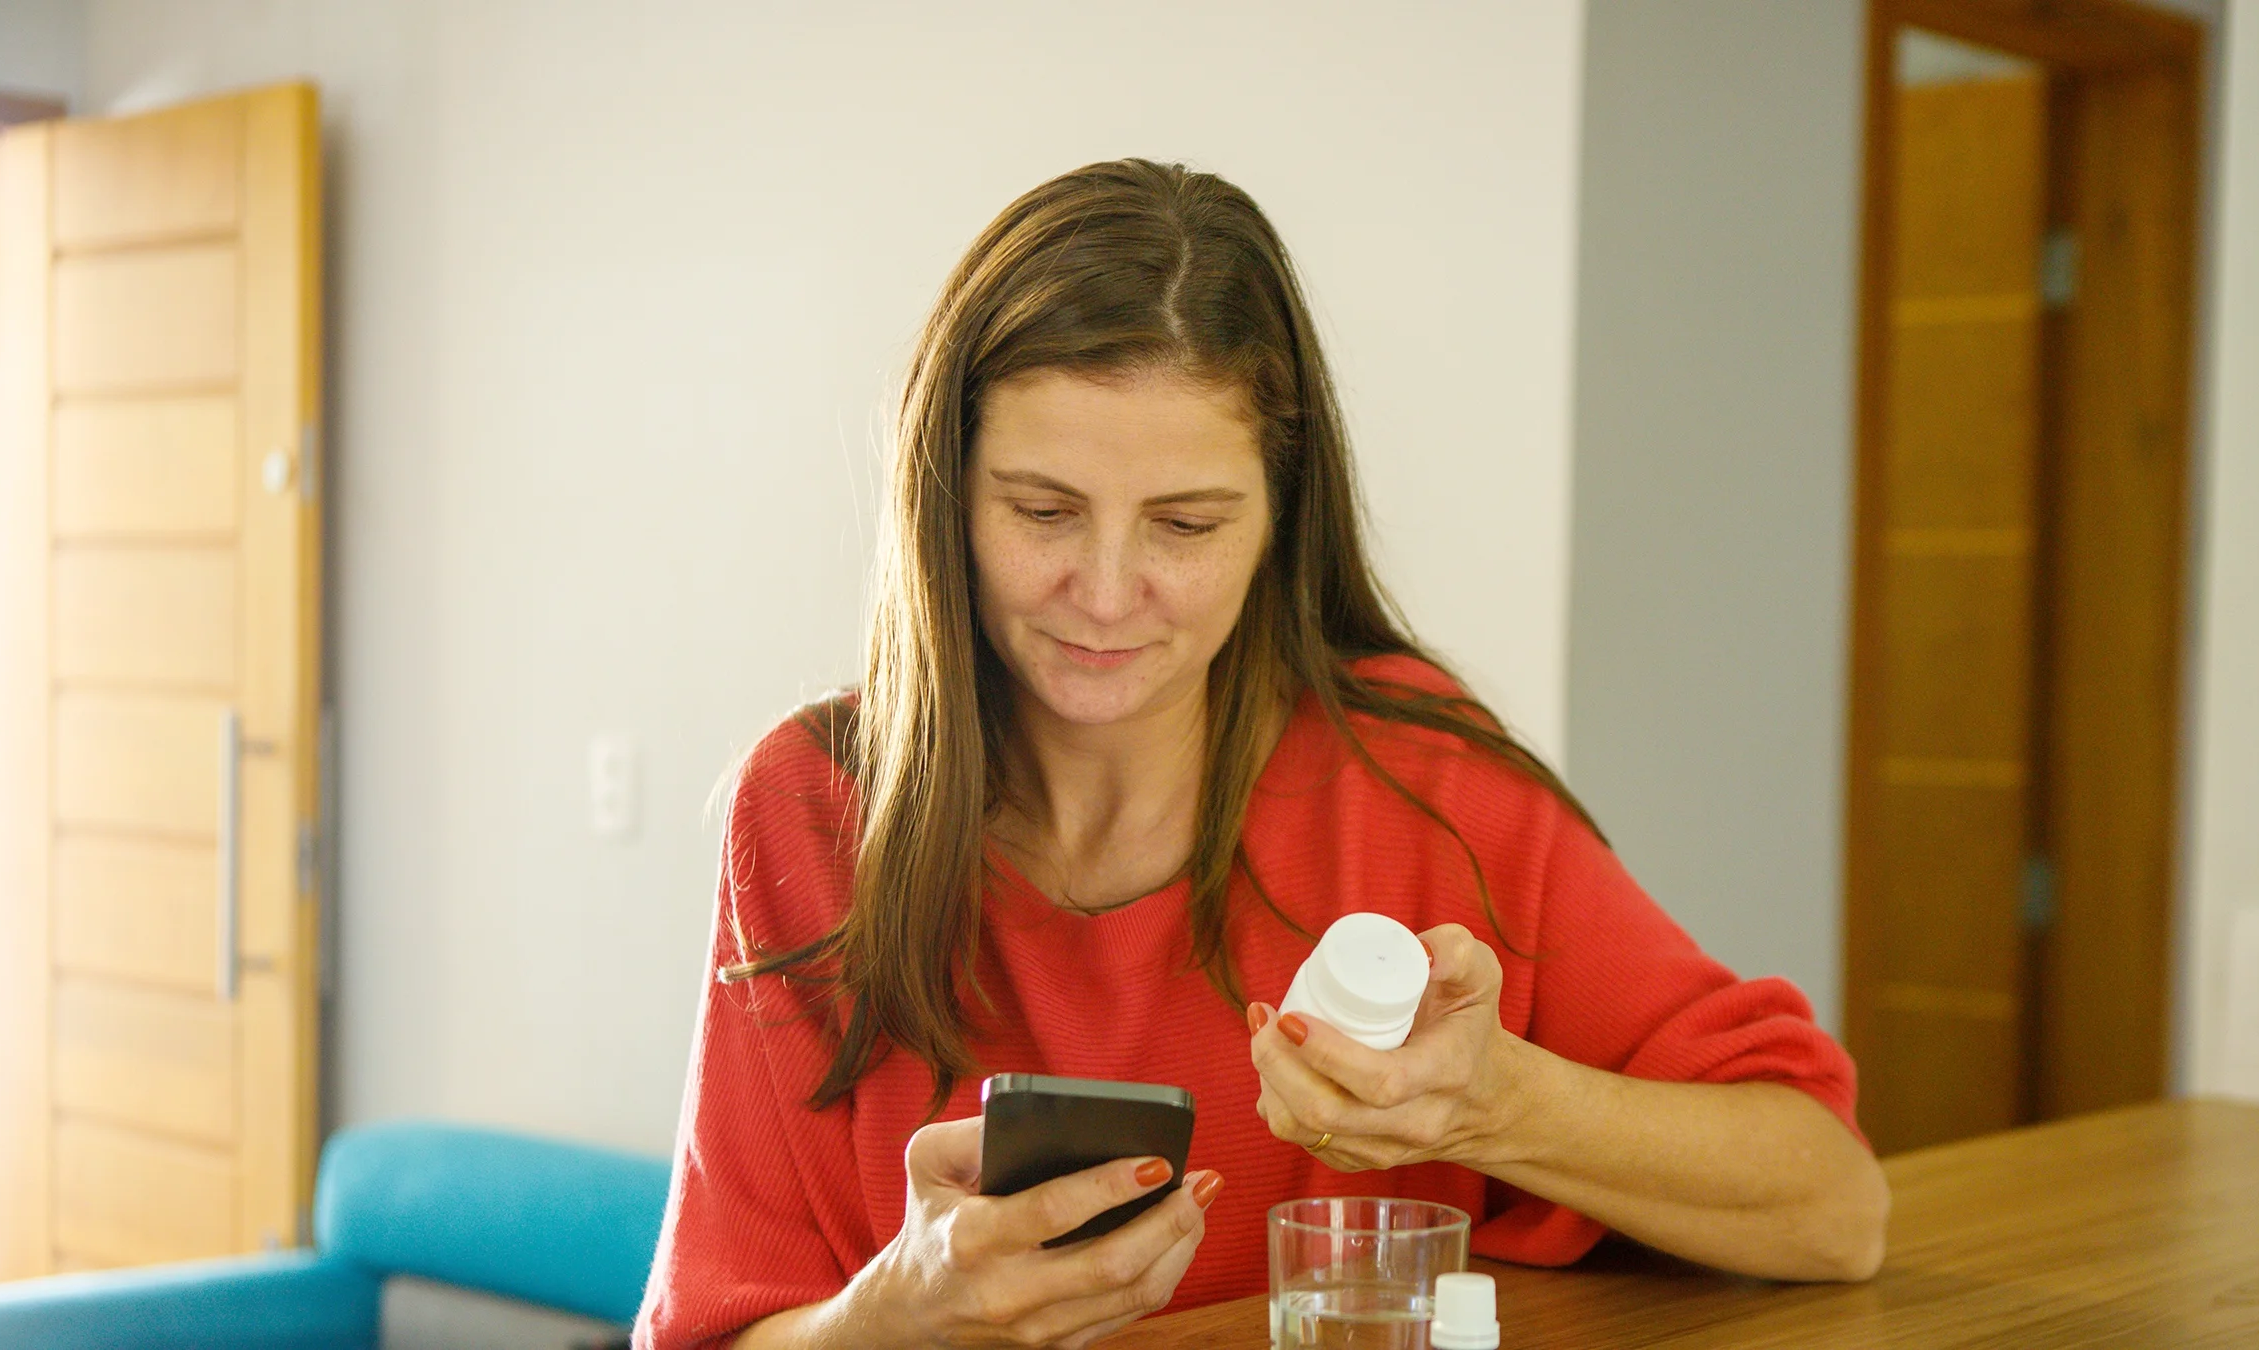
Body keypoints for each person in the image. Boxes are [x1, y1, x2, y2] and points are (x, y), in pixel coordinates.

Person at [634, 159, 1887, 1350]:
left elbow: (1833, 1209)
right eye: (1042, 512)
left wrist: (1497, 1102)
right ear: (944, 498)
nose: (1108, 593)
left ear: (1279, 522)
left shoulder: (1418, 782)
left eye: (1184, 524)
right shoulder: (807, 810)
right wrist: (896, 1317)